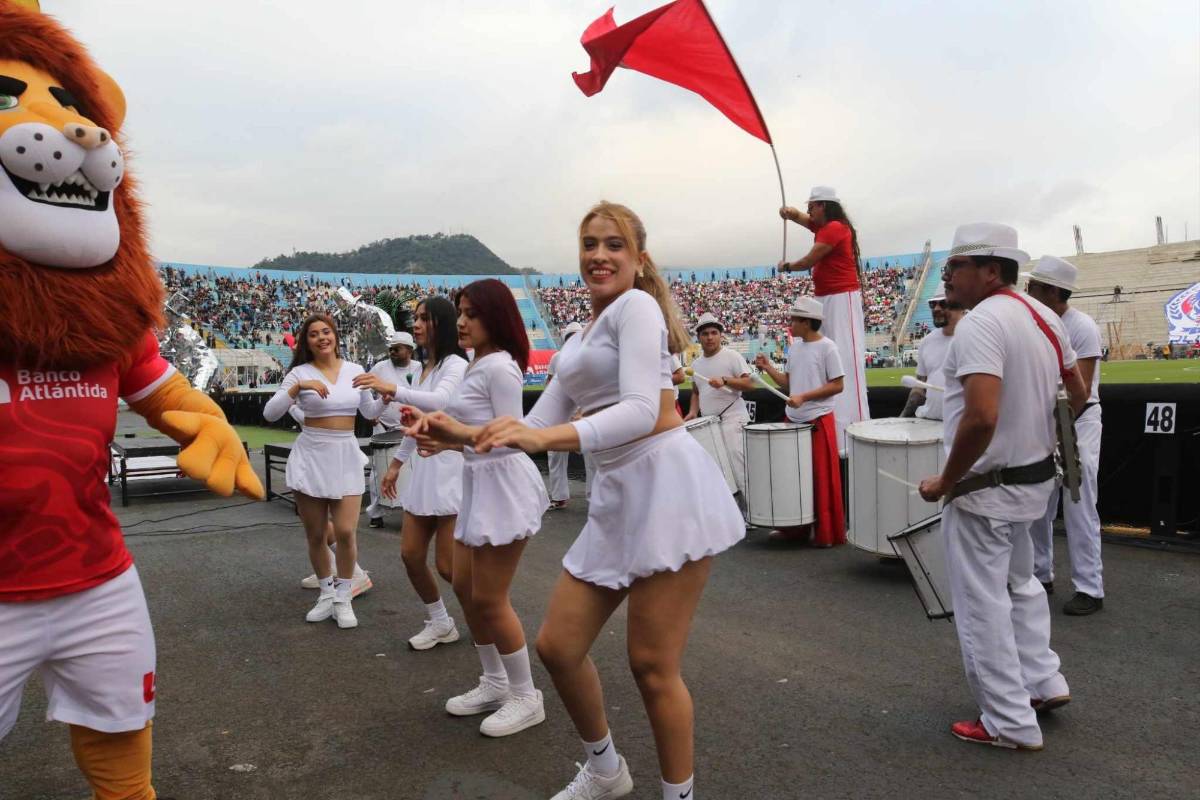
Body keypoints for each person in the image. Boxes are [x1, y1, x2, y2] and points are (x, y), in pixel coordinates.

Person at [465, 202, 744, 800]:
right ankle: (605, 770)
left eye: (614, 245)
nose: (599, 255)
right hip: (616, 496)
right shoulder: (579, 340)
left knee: (651, 664)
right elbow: (525, 427)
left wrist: (543, 437)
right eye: (589, 244)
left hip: (667, 488)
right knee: (558, 647)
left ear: (639, 259)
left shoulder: (637, 308)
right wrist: (454, 435)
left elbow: (643, 410)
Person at [918, 223, 1088, 751]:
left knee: (981, 605)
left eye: (956, 268)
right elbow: (1078, 393)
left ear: (991, 271)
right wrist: (1033, 440)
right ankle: (1042, 681)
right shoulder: (1043, 317)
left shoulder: (980, 324)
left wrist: (948, 480)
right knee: (1023, 586)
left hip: (984, 491)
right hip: (1031, 485)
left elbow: (980, 417)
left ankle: (1008, 721)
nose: (947, 277)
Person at [400, 279, 550, 738]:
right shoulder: (476, 363)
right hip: (477, 483)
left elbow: (510, 437)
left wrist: (450, 436)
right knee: (465, 585)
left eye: (472, 313)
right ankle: (495, 681)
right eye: (460, 312)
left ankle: (526, 696)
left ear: (496, 317)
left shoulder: (500, 369)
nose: (461, 322)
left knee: (488, 597)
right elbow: (473, 429)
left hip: (502, 487)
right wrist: (438, 436)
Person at [263, 314, 389, 629]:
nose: (322, 338)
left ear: (335, 336)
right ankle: (326, 593)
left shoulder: (355, 371)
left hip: (345, 452)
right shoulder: (298, 373)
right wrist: (297, 388)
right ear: (307, 342)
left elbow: (370, 412)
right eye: (314, 334)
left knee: (346, 531)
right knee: (317, 534)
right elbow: (270, 413)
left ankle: (344, 596)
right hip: (312, 454)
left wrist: (386, 397)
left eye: (327, 332)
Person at [360, 297, 468, 650]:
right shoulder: (425, 368)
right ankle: (440, 621)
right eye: (416, 318)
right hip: (425, 468)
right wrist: (395, 464)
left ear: (443, 323)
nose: (417, 324)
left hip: (452, 468)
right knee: (410, 555)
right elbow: (419, 421)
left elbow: (436, 402)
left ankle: (487, 618)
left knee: (449, 566)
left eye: (424, 319)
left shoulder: (455, 365)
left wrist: (391, 388)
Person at [1023, 256, 1105, 616]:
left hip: (1078, 422)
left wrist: (1060, 432)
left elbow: (1081, 392)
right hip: (1045, 421)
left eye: (1035, 287)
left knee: (1079, 504)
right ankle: (1041, 575)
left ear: (1053, 291)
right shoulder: (1034, 322)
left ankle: (1090, 587)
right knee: (1039, 505)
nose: (1028, 291)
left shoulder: (1081, 326)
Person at [777, 186, 870, 452]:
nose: (808, 211)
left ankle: (856, 425)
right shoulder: (825, 227)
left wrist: (787, 267)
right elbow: (805, 221)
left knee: (846, 360)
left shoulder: (834, 229)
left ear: (823, 206)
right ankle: (835, 424)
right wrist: (791, 213)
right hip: (827, 297)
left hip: (841, 297)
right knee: (829, 357)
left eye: (811, 206)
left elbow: (809, 260)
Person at [754, 297, 846, 547]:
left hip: (818, 421)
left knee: (820, 479)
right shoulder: (795, 348)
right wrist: (768, 367)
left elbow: (838, 385)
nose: (790, 323)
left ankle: (826, 533)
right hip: (794, 420)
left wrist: (804, 397)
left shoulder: (829, 348)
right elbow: (789, 384)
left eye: (794, 319)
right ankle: (793, 529)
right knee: (793, 479)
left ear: (807, 322)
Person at [684, 312, 753, 515]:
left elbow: (749, 383)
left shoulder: (732, 356)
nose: (710, 337)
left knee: (738, 467)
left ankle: (752, 512)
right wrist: (692, 411)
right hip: (710, 424)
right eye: (705, 333)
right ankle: (733, 515)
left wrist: (725, 380)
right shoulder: (696, 365)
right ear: (698, 337)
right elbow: (696, 391)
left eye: (714, 332)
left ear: (721, 335)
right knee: (720, 470)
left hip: (733, 418)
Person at [364, 331, 423, 528]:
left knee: (416, 469)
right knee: (377, 472)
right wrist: (371, 411)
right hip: (383, 426)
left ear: (409, 350)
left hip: (410, 428)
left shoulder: (419, 368)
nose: (392, 352)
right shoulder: (380, 367)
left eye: (397, 349)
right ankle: (376, 512)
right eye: (391, 349)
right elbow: (363, 388)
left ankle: (414, 509)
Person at [901, 286, 965, 420]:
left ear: (961, 306)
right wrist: (902, 419)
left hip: (961, 426)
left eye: (943, 303)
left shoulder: (975, 338)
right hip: (930, 422)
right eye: (933, 304)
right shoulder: (927, 341)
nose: (936, 309)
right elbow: (919, 387)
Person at [547, 322, 585, 510]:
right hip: (566, 412)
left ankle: (594, 496)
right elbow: (549, 384)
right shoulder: (557, 358)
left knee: (591, 454)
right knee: (556, 454)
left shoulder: (588, 357)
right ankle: (559, 496)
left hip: (582, 411)